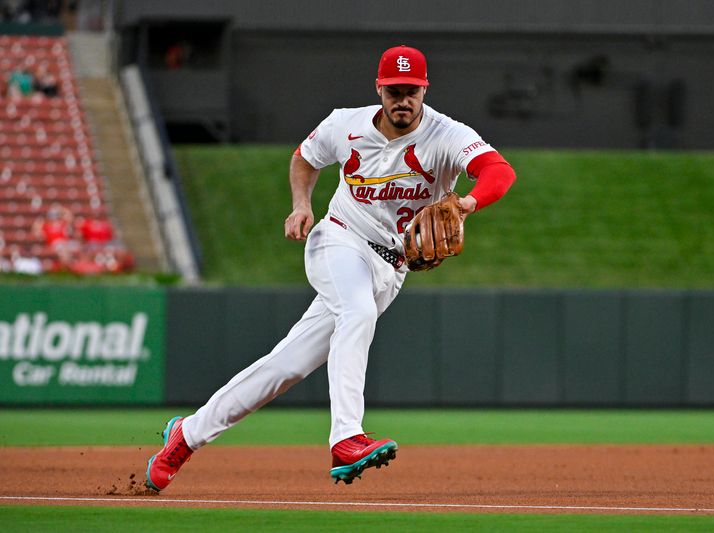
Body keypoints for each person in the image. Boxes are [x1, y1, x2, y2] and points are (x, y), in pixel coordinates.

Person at [144, 45, 517, 491]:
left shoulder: (447, 135)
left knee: (285, 367)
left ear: (424, 90)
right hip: (339, 240)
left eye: (412, 91)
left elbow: (499, 171)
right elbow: (305, 156)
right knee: (356, 312)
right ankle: (346, 439)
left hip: (391, 269)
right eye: (394, 90)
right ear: (379, 88)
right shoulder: (346, 123)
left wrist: (466, 202)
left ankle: (186, 435)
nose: (404, 100)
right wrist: (302, 204)